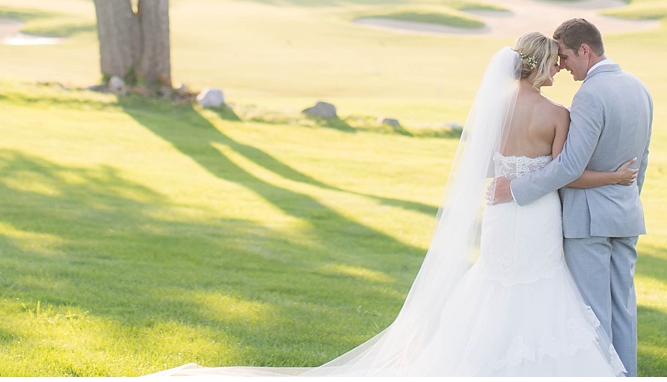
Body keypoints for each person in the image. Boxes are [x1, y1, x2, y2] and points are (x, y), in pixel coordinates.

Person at [160, 33, 630, 376]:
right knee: (539, 285)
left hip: (500, 214)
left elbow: (486, 167)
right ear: (540, 66)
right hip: (535, 216)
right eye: (553, 64)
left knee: (494, 280)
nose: (558, 71)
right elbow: (562, 175)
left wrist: (511, 175)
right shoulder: (557, 114)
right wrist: (614, 176)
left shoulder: (496, 109)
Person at [490, 18, 653, 377]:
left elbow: (568, 166)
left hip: (588, 222)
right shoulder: (638, 87)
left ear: (585, 50)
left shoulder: (591, 95)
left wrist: (515, 189)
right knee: (623, 308)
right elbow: (643, 159)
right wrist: (625, 196)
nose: (561, 65)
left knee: (592, 313)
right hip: (626, 215)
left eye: (564, 56)